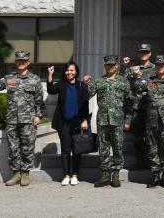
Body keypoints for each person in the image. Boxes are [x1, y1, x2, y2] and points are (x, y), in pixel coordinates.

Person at [0, 51, 45, 187]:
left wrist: (38, 116)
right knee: (13, 147)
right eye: (19, 61)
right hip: (12, 119)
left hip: (28, 119)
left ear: (28, 62)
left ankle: (25, 173)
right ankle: (16, 174)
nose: (21, 63)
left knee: (27, 147)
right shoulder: (9, 78)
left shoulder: (35, 79)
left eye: (24, 61)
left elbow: (39, 100)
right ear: (16, 62)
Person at [133, 54, 164, 188]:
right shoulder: (148, 80)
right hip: (151, 120)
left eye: (163, 64)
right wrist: (137, 77)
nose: (160, 67)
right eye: (158, 65)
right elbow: (137, 90)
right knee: (152, 148)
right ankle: (155, 175)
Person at [84, 55, 134, 188]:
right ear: (105, 66)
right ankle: (105, 174)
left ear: (117, 66)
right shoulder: (99, 81)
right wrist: (87, 84)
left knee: (117, 148)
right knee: (103, 148)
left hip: (117, 120)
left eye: (113, 65)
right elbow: (87, 95)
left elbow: (129, 103)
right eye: (108, 65)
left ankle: (116, 175)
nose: (110, 67)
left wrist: (128, 121)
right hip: (102, 120)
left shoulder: (123, 82)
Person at [46, 62, 90, 186]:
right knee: (65, 149)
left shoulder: (81, 85)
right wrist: (50, 74)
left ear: (76, 72)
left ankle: (75, 175)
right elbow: (50, 90)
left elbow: (85, 103)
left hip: (78, 122)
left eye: (71, 70)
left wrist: (85, 119)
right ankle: (66, 175)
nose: (69, 72)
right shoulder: (61, 84)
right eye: (67, 70)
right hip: (64, 122)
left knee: (77, 150)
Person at [123, 43, 156, 161]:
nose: (143, 54)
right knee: (137, 136)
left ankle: (151, 161)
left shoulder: (155, 68)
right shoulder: (131, 69)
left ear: (150, 53)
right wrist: (133, 75)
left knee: (151, 135)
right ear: (138, 54)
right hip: (136, 106)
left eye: (146, 52)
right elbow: (125, 84)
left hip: (150, 106)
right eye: (141, 52)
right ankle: (140, 160)